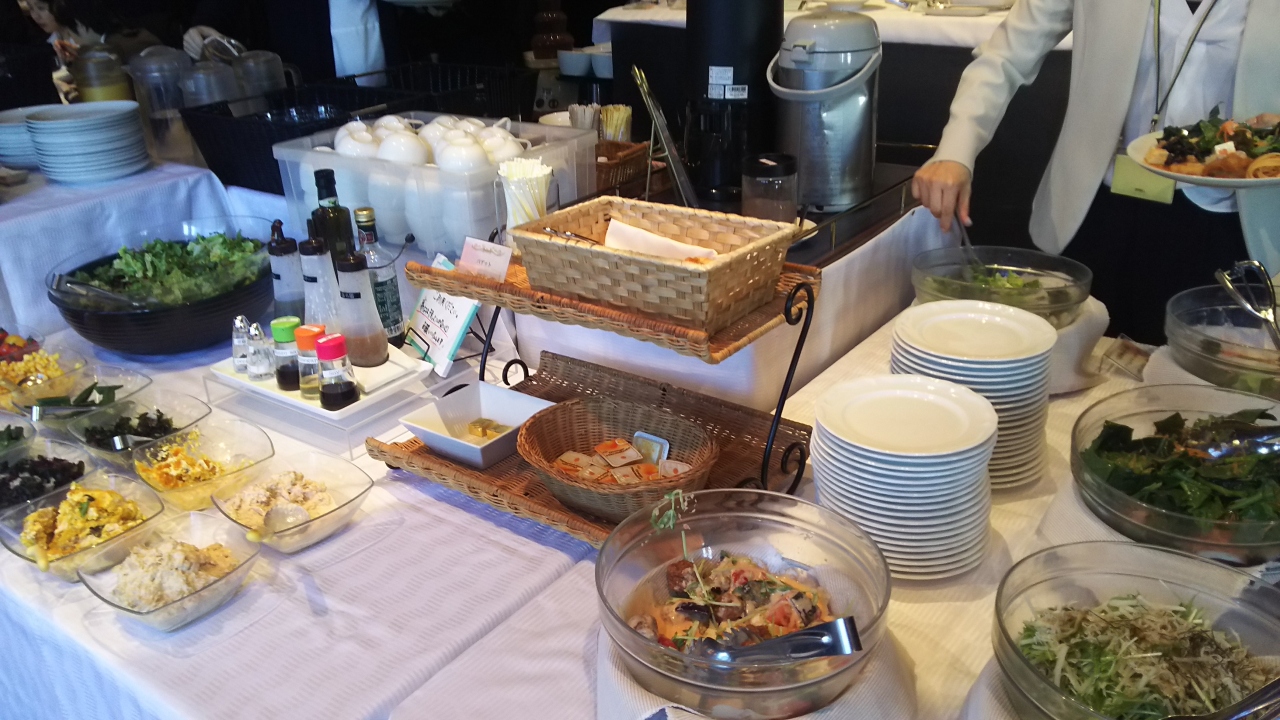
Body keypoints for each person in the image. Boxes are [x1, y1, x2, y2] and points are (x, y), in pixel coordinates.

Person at [911, 0, 1280, 344]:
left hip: (1233, 225)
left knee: (1209, 377)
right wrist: (955, 151)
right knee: (1082, 367)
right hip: (1098, 209)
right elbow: (1005, 56)